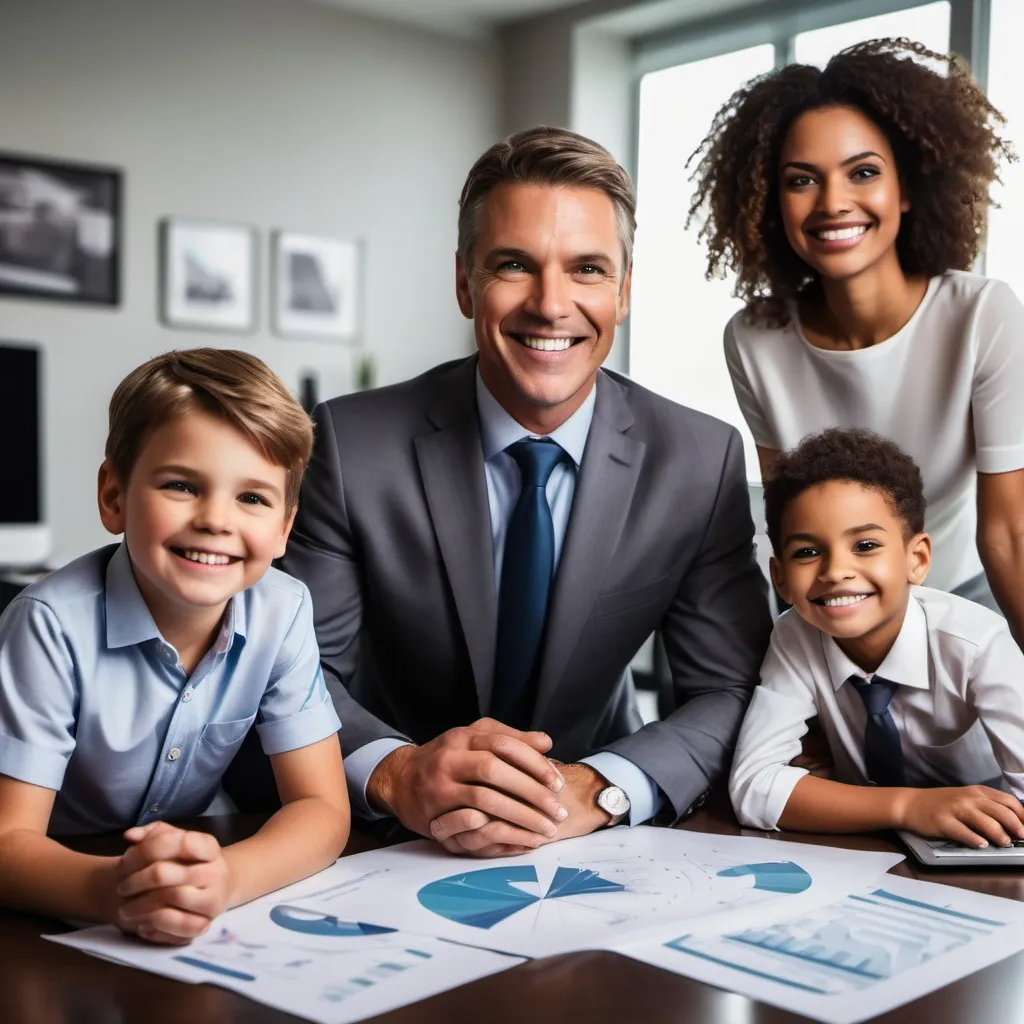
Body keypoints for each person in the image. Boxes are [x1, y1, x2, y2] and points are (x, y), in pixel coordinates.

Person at [272, 126, 773, 858]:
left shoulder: (698, 461)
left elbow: (729, 690)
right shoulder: (352, 445)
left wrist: (602, 787)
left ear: (624, 291)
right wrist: (396, 772)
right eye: (514, 265)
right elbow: (295, 669)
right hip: (386, 841)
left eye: (588, 270)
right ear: (464, 280)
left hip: (594, 839)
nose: (551, 304)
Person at [0, 349, 350, 944]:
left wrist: (226, 881)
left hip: (194, 866)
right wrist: (110, 891)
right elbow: (8, 843)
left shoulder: (284, 608)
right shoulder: (48, 624)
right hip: (58, 891)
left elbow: (322, 808)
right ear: (114, 497)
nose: (216, 519)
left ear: (285, 527)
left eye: (253, 498)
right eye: (182, 485)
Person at [688, 38, 1024, 639]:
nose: (834, 203)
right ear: (770, 203)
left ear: (908, 187)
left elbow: (1008, 536)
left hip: (971, 608)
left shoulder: (982, 315)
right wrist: (813, 686)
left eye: (863, 172)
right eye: (801, 180)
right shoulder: (755, 340)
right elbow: (792, 530)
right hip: (838, 620)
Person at [730, 428, 1024, 849]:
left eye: (865, 545)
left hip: (983, 844)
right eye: (807, 552)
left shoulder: (978, 644)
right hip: (874, 846)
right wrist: (909, 807)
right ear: (780, 578)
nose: (835, 571)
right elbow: (755, 787)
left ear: (916, 560)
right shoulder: (796, 636)